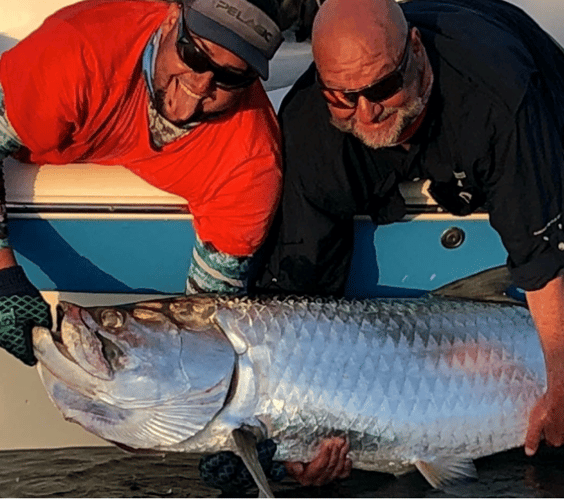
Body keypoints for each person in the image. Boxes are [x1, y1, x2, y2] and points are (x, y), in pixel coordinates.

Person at [255, 0, 564, 481]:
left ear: (415, 51)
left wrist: (560, 384)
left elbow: (542, 257)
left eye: (383, 87)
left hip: (521, 81)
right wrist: (297, 449)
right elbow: (301, 295)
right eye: (342, 97)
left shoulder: (498, 96)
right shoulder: (310, 125)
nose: (366, 110)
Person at [0, 0, 284, 364]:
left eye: (230, 77)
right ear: (170, 21)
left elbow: (208, 317)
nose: (201, 85)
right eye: (194, 54)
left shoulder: (252, 161)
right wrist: (4, 277)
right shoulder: (79, 53)